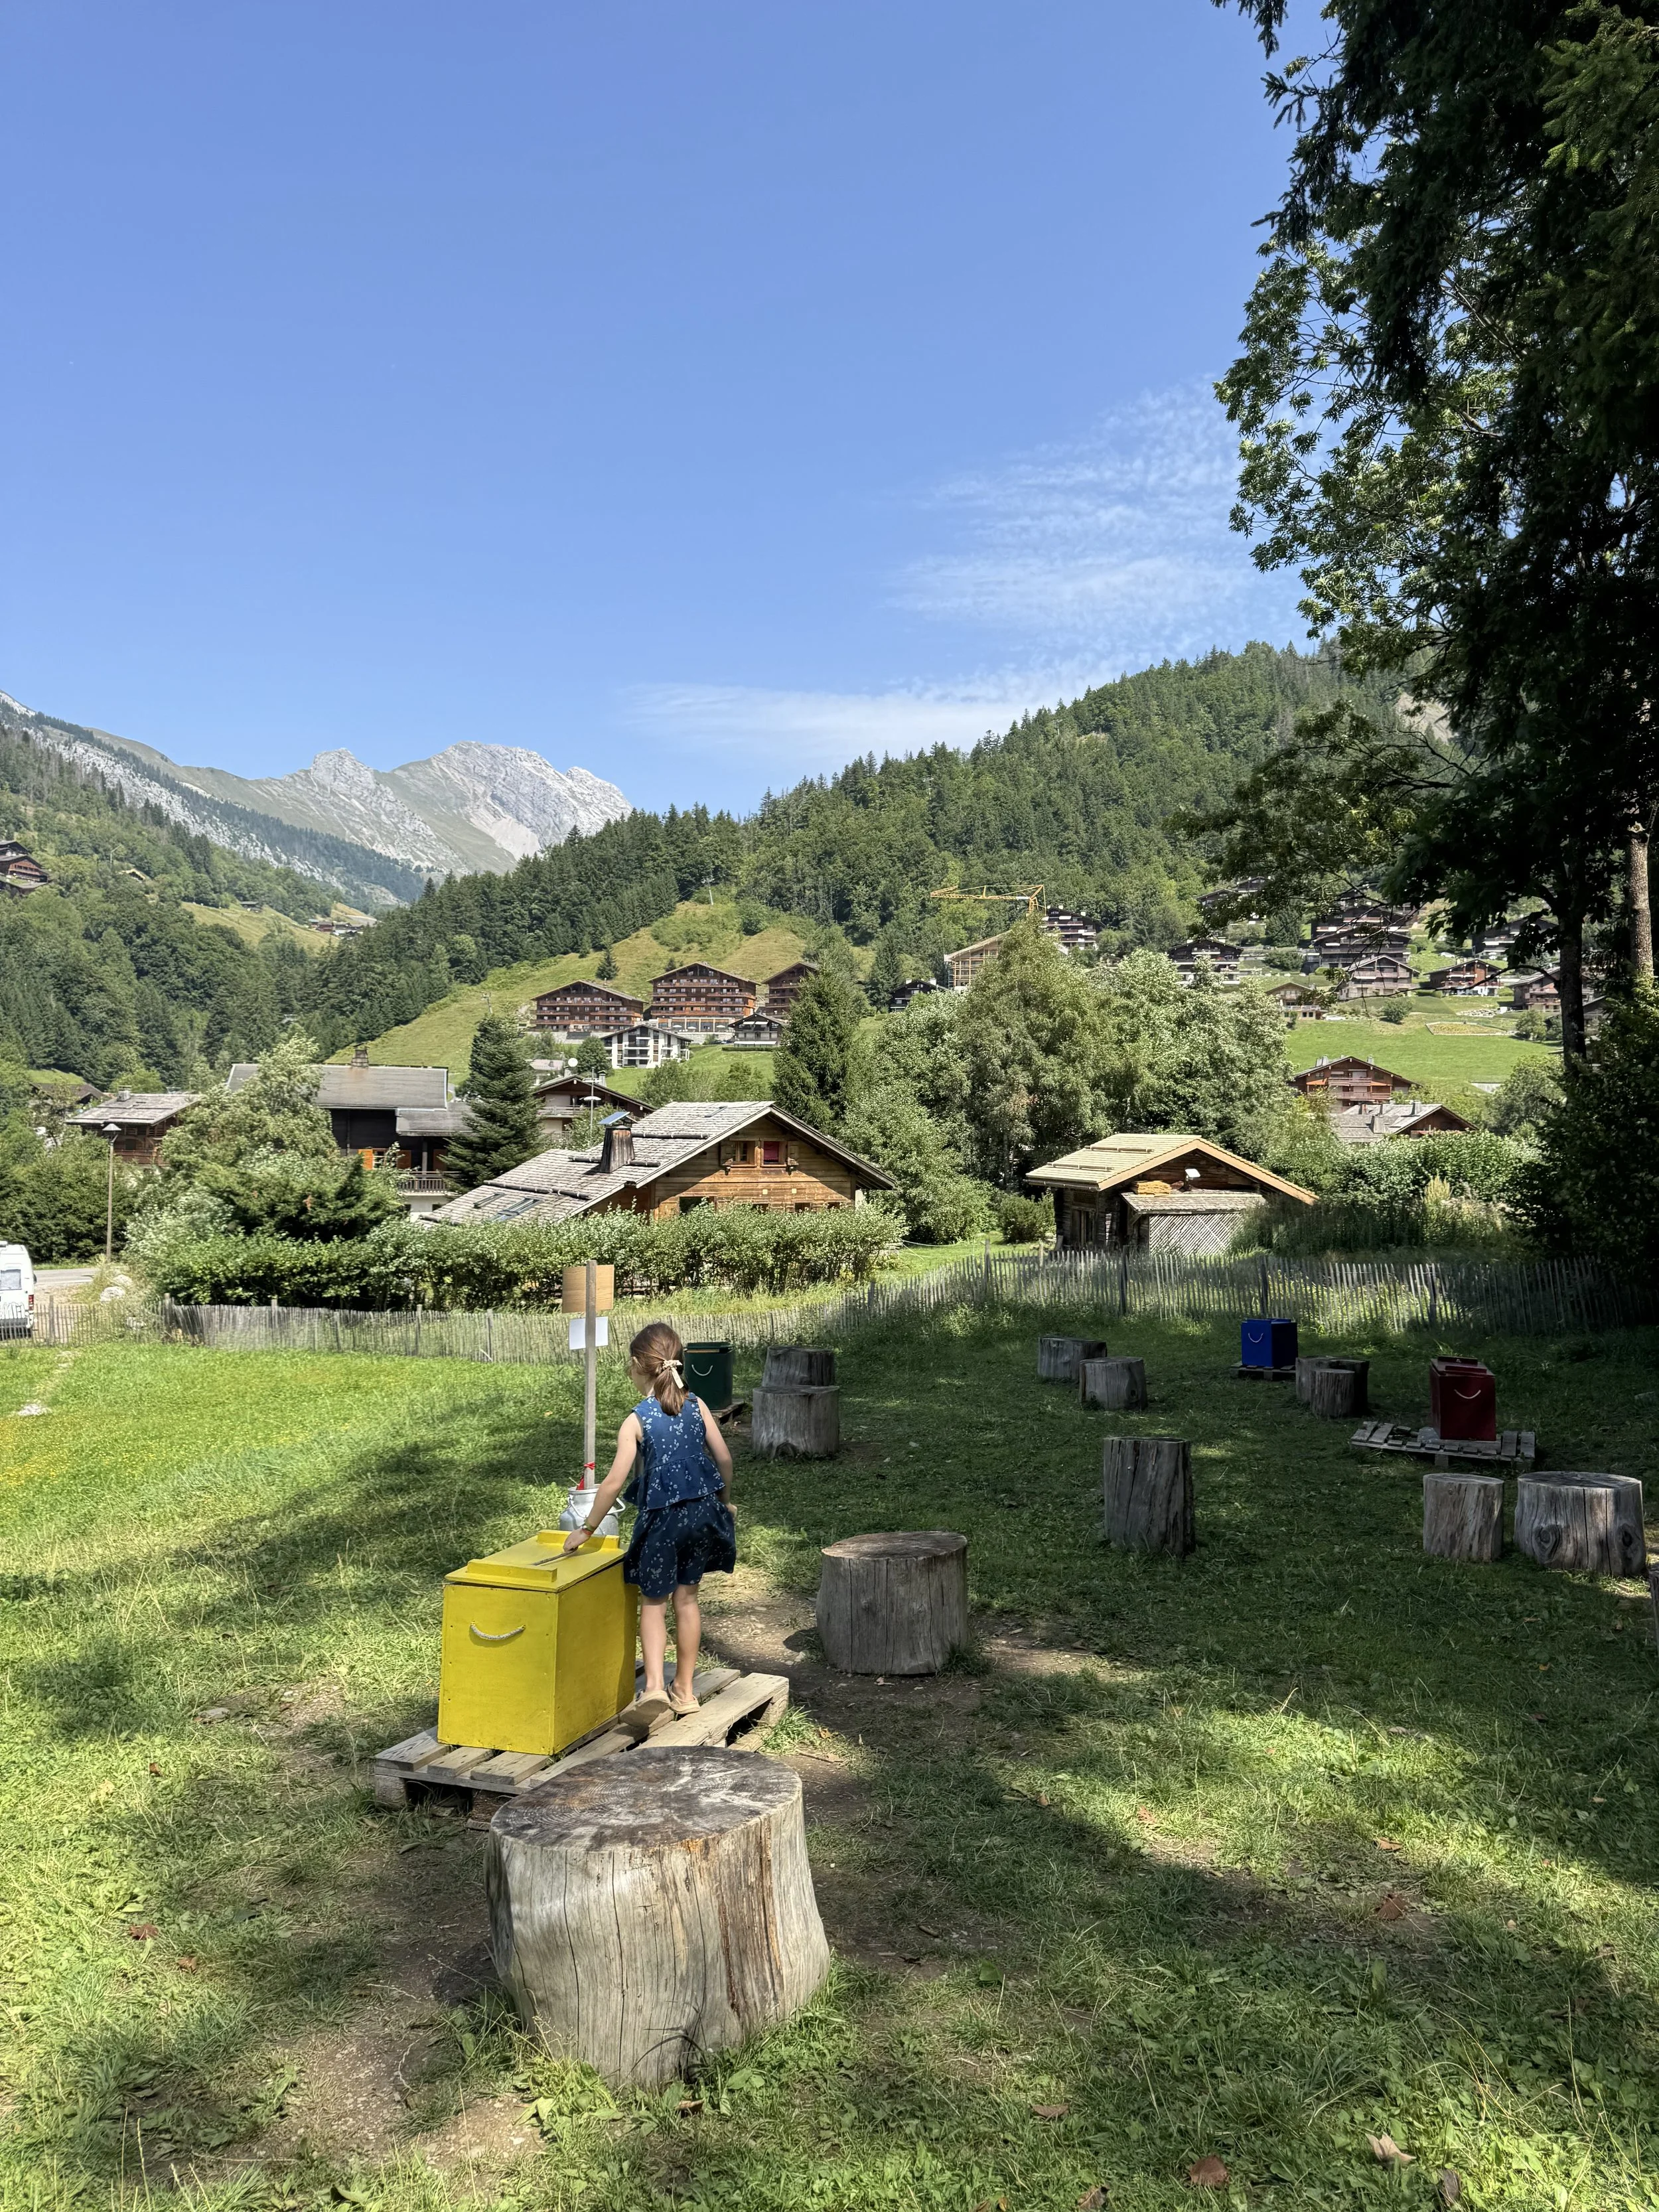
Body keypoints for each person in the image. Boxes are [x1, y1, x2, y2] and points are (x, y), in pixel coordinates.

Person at [561, 1320, 735, 1729]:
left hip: (662, 1523)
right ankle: (686, 1691)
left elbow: (613, 1483)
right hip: (704, 1515)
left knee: (654, 1602)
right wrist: (723, 1504)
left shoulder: (636, 1420)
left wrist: (586, 1529)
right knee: (688, 1600)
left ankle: (656, 1685)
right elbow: (724, 1460)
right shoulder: (698, 1406)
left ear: (640, 1366)